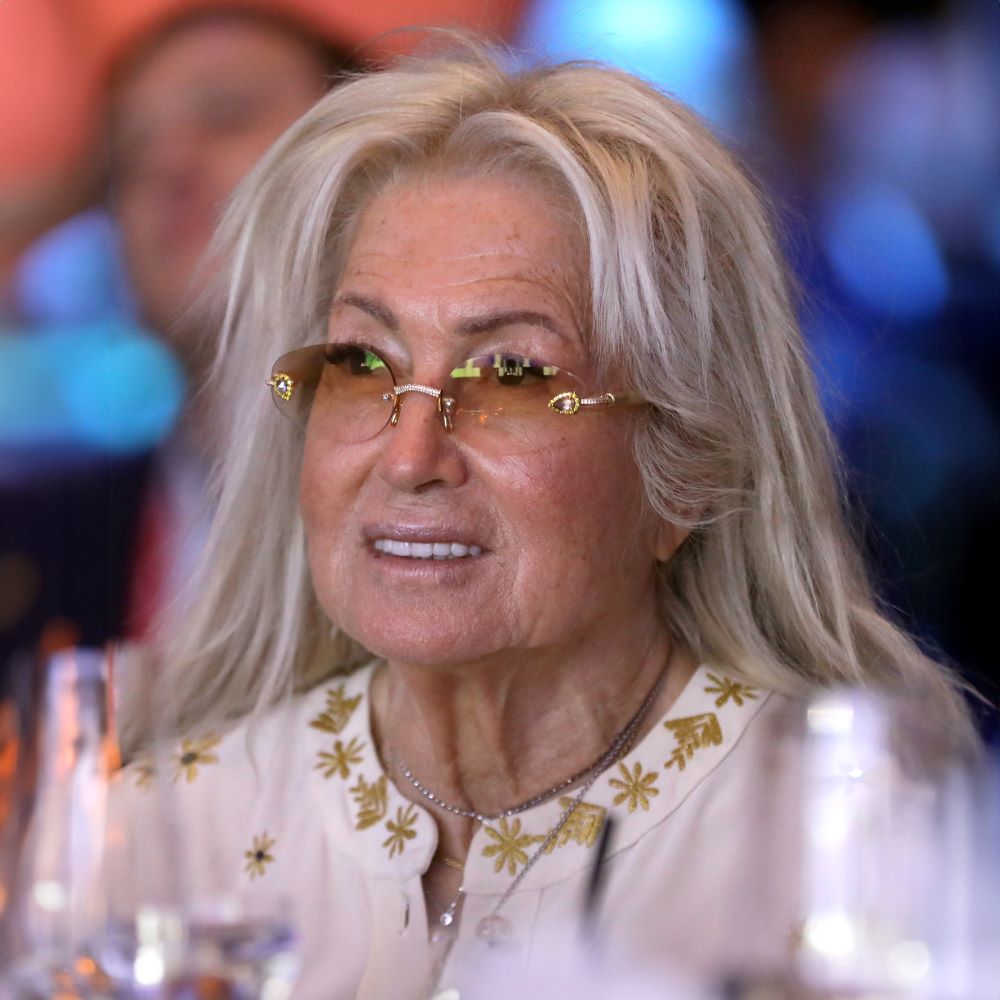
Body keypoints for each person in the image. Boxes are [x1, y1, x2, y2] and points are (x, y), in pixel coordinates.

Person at [113, 43, 978, 999]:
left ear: (686, 471)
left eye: (513, 377)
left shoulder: (848, 844)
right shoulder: (165, 832)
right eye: (362, 365)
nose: (408, 457)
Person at [106, 5, 356, 636]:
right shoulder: (36, 545)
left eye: (226, 115)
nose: (167, 163)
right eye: (130, 152)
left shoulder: (452, 489)